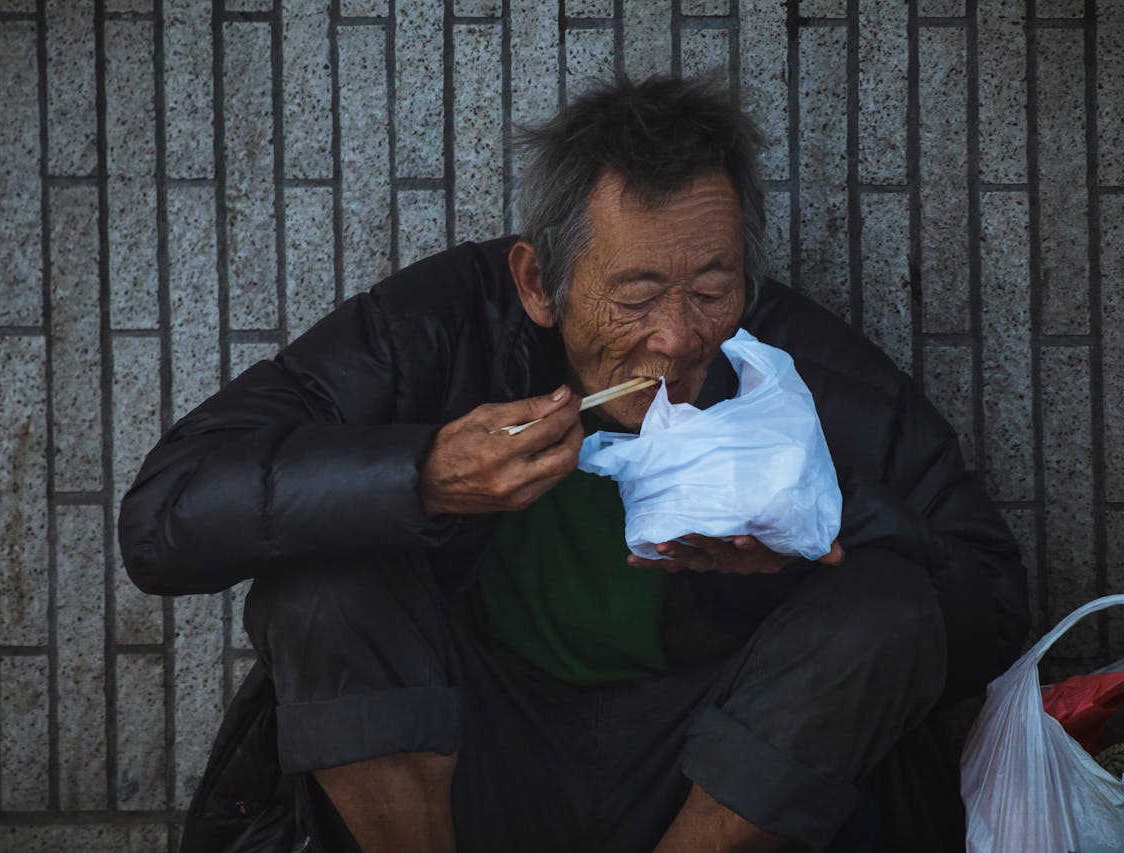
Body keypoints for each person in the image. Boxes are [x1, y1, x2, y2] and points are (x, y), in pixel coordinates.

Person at [118, 75, 1030, 852]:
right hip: (467, 756)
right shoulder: (441, 330)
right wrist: (423, 474)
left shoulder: (796, 370)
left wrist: (822, 528)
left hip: (708, 777)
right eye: (635, 296)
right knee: (323, 581)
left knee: (888, 602)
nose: (677, 339)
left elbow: (987, 602)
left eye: (712, 288)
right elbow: (164, 516)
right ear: (536, 283)